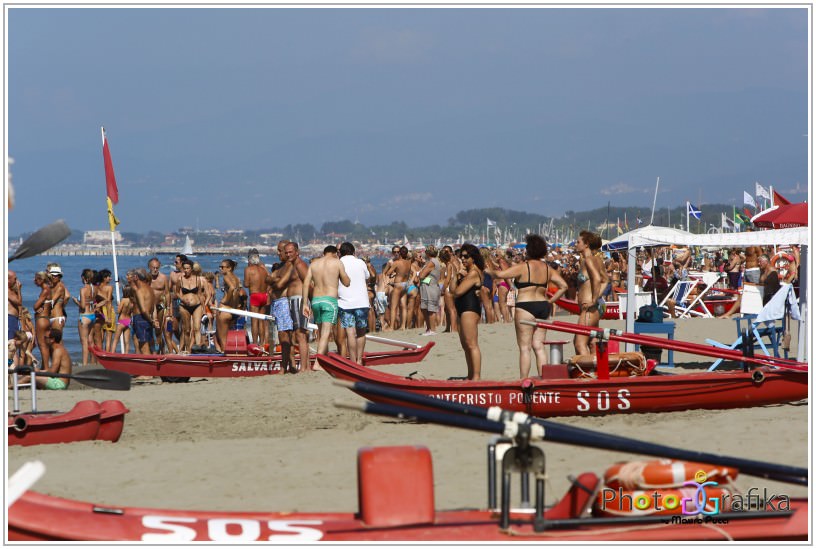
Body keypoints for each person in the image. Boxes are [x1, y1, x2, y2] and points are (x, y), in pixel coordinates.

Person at [486, 234, 569, 378]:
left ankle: (523, 381)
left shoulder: (523, 267)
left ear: (529, 250)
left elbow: (500, 274)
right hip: (543, 305)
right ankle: (544, 379)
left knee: (525, 348)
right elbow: (564, 286)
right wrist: (551, 301)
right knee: (539, 346)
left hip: (525, 305)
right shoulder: (547, 268)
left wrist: (487, 270)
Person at [301, 245, 350, 361]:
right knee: (326, 333)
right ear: (335, 253)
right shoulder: (337, 262)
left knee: (321, 333)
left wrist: (304, 304)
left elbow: (306, 283)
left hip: (316, 301)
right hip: (330, 300)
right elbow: (346, 282)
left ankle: (324, 359)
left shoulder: (314, 264)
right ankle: (318, 362)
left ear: (324, 253)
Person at [450, 243, 484, 380]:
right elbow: (451, 289)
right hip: (462, 308)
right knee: (465, 345)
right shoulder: (465, 273)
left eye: (466, 256)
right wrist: (456, 275)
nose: (463, 259)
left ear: (473, 258)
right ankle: (470, 374)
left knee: (472, 344)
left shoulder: (474, 273)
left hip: (470, 308)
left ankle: (476, 376)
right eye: (461, 256)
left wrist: (458, 281)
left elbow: (457, 291)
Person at [573, 230, 608, 356]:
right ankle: (597, 370)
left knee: (579, 343)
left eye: (578, 242)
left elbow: (598, 280)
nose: (576, 244)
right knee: (592, 342)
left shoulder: (588, 260)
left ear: (586, 244)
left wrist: (593, 299)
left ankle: (588, 373)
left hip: (589, 308)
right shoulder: (597, 259)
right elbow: (605, 280)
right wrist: (597, 297)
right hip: (595, 307)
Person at [337, 242, 370, 364]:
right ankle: (359, 360)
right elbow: (367, 276)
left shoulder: (339, 263)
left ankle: (352, 360)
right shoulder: (360, 262)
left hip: (345, 303)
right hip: (361, 302)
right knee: (361, 332)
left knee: (350, 333)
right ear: (353, 251)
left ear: (340, 253)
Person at [284, 241, 311, 370]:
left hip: (300, 301)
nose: (288, 254)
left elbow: (309, 284)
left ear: (297, 252)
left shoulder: (300, 265)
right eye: (286, 252)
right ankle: (307, 367)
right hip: (295, 301)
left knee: (300, 334)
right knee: (300, 334)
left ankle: (304, 368)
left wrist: (307, 303)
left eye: (291, 252)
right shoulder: (293, 265)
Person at [176, 259, 206, 352]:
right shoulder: (180, 279)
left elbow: (200, 294)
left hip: (196, 305)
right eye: (184, 268)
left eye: (188, 268)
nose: (186, 270)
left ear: (191, 269)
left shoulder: (197, 279)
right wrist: (182, 299)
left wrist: (203, 308)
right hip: (184, 306)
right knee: (187, 329)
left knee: (197, 328)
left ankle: (197, 348)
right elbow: (177, 292)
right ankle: (188, 349)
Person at [244, 248, 270, 346]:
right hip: (264, 295)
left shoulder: (248, 269)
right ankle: (262, 344)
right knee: (261, 321)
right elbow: (269, 279)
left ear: (249, 259)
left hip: (255, 295)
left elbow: (246, 284)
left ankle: (254, 344)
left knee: (254, 321)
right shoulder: (263, 269)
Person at [216, 259, 242, 352]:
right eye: (220, 267)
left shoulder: (226, 277)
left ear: (229, 268)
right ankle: (230, 355)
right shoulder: (236, 278)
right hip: (233, 310)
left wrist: (225, 301)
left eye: (222, 267)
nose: (221, 269)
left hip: (225, 309)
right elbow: (238, 292)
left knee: (222, 339)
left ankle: (224, 358)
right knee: (228, 337)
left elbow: (231, 288)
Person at [417, 245, 442, 336]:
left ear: (427, 253)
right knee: (425, 308)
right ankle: (429, 329)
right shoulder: (433, 262)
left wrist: (421, 277)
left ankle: (432, 329)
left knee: (430, 309)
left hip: (430, 287)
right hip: (429, 287)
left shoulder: (432, 262)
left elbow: (422, 276)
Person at [148, 257, 172, 353]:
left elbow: (167, 293)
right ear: (149, 267)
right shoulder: (146, 278)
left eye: (157, 268)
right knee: (149, 330)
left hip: (160, 306)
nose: (155, 270)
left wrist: (169, 308)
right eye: (153, 267)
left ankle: (160, 351)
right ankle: (152, 351)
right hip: (149, 307)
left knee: (159, 330)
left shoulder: (163, 278)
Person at [32, 272, 53, 368]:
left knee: (42, 345)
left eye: (36, 279)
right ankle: (45, 366)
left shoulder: (45, 290)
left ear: (41, 280)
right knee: (45, 344)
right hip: (46, 319)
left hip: (41, 319)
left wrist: (36, 307)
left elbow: (35, 306)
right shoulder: (48, 289)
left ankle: (46, 368)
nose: (34, 281)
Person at [47, 264, 69, 334]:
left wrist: (61, 306)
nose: (54, 277)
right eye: (52, 275)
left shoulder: (60, 286)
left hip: (57, 317)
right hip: (51, 317)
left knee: (57, 342)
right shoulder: (52, 286)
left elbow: (51, 302)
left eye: (56, 276)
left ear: (60, 277)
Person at [113, 286, 134, 354]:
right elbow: (131, 313)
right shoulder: (132, 301)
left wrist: (117, 307)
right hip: (128, 321)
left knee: (116, 340)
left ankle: (112, 353)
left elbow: (119, 311)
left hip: (121, 321)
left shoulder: (123, 300)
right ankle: (126, 354)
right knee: (127, 342)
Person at [8, 270, 22, 343]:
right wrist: (19, 290)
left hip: (13, 318)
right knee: (11, 343)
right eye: (15, 279)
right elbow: (19, 302)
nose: (17, 281)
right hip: (9, 318)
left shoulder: (10, 290)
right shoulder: (7, 290)